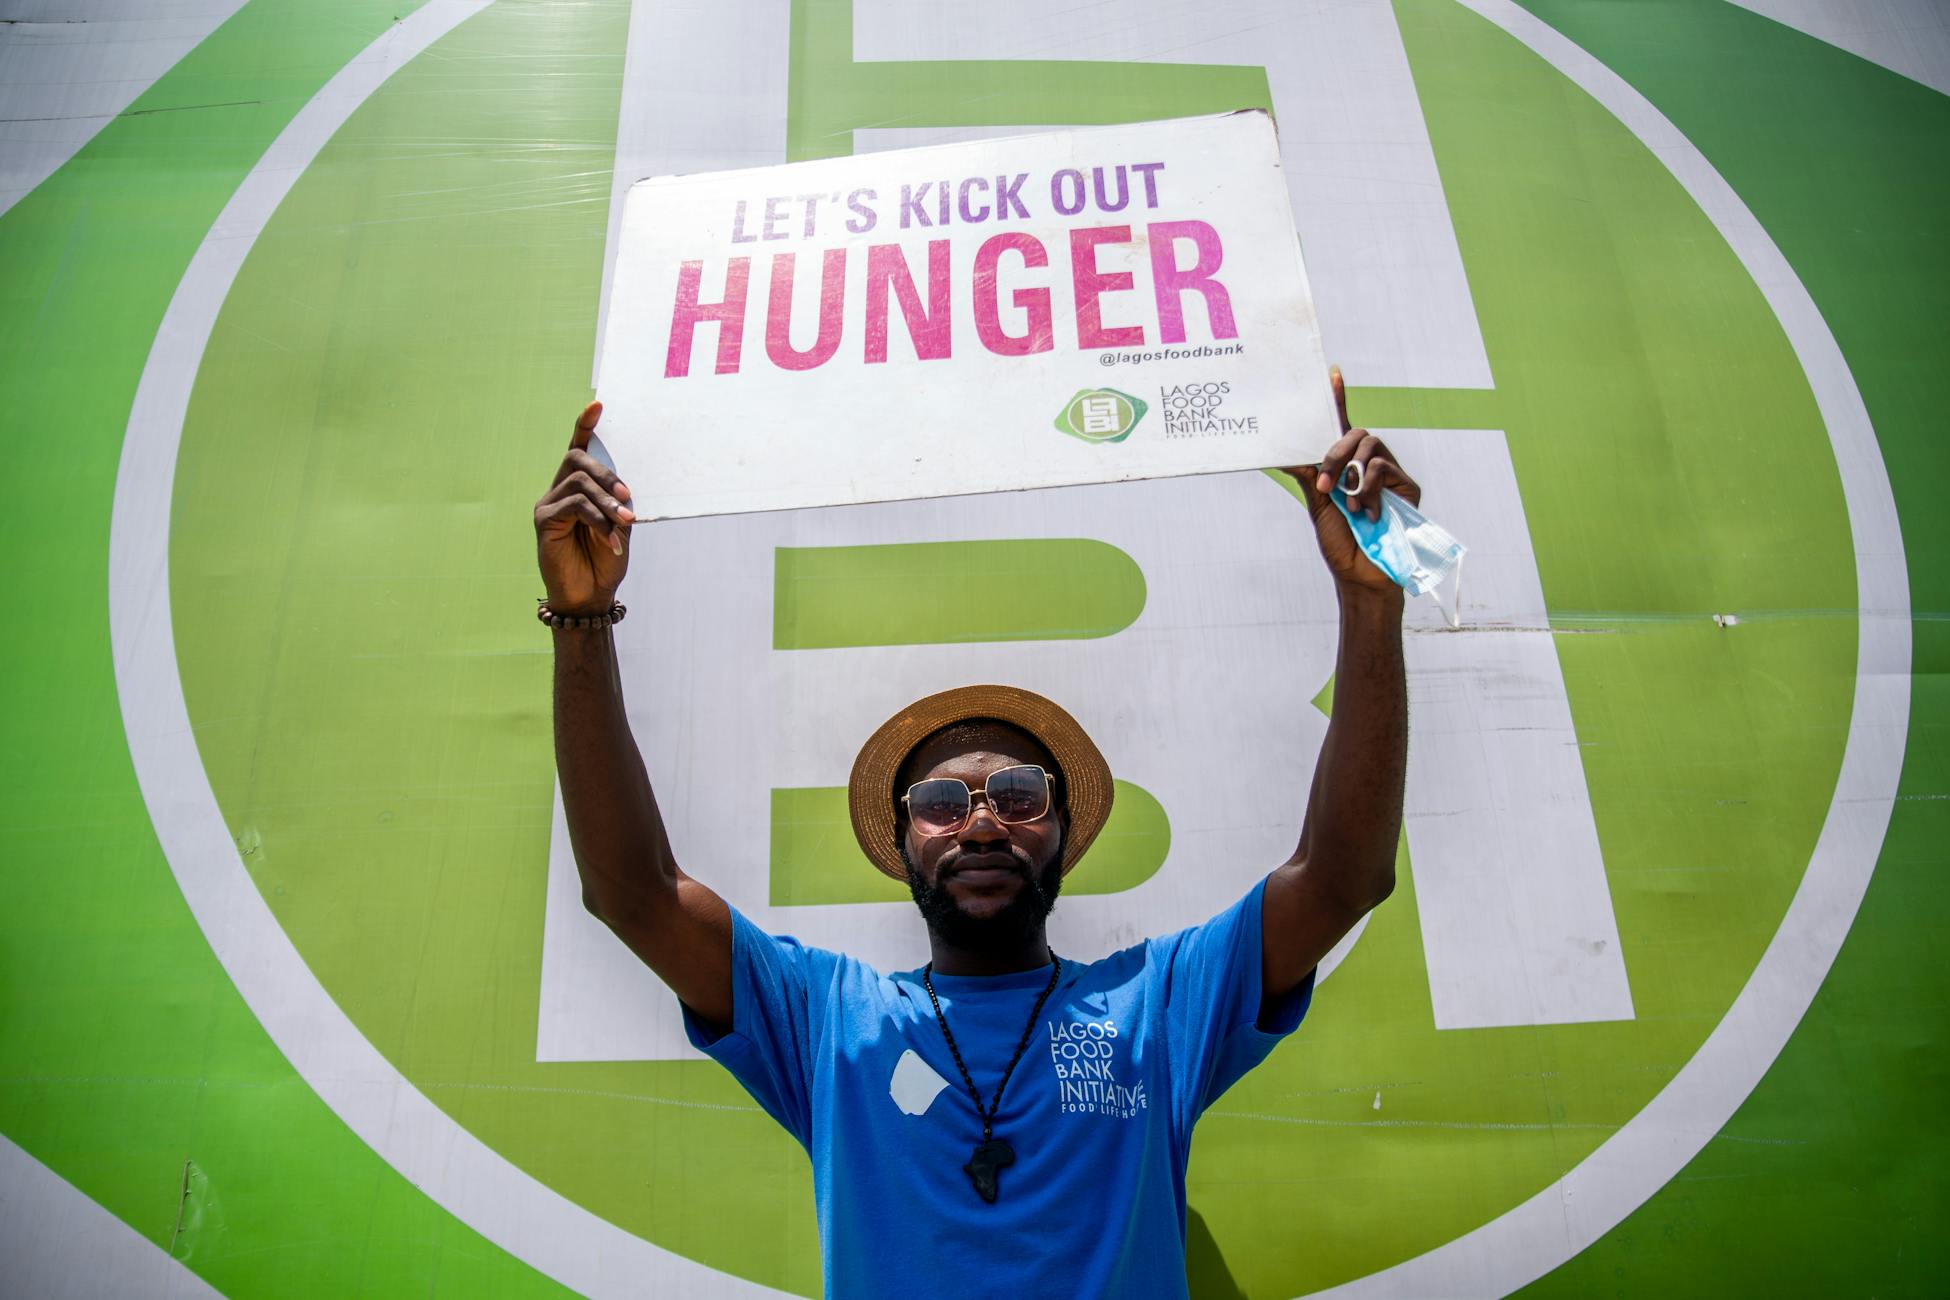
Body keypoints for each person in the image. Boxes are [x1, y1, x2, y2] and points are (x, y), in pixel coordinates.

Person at [533, 367, 1415, 1298]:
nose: (984, 820)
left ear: (1066, 835)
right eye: (944, 806)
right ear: (903, 842)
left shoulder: (1160, 1004)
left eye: (1021, 793)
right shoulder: (829, 1018)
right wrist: (581, 620)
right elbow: (632, 894)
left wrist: (1370, 601)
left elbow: (1342, 878)